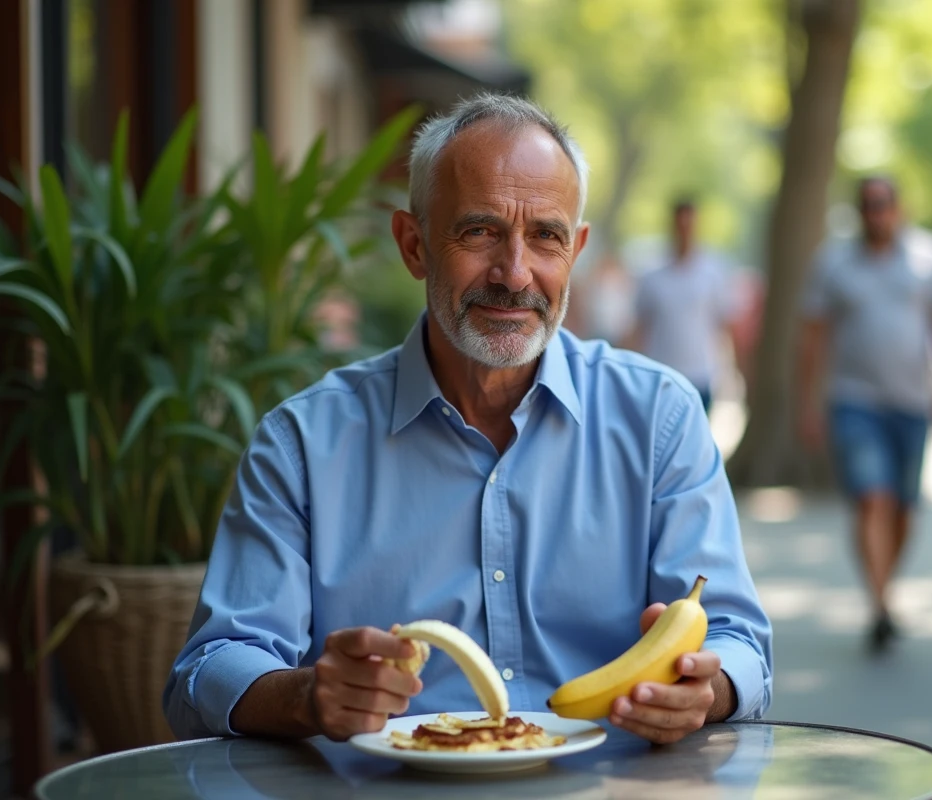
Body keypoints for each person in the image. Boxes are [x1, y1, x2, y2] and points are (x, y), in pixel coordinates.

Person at [163, 94, 772, 745]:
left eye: (546, 236)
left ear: (578, 249)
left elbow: (740, 645)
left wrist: (707, 691)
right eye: (479, 232)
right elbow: (211, 666)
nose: (514, 274)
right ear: (414, 244)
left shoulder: (660, 420)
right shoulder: (303, 445)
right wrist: (306, 695)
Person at [798, 176, 932, 653]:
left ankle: (884, 586)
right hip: (854, 399)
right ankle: (880, 602)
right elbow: (811, 336)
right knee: (872, 498)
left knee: (904, 508)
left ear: (898, 208)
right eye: (869, 205)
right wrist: (807, 404)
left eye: (885, 204)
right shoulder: (833, 262)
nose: (877, 213)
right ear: (859, 211)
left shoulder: (927, 258)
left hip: (914, 401)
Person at [628, 200, 739, 412]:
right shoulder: (653, 275)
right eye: (681, 225)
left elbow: (724, 324)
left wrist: (731, 370)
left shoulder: (713, 273)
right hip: (660, 375)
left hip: (699, 375)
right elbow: (639, 326)